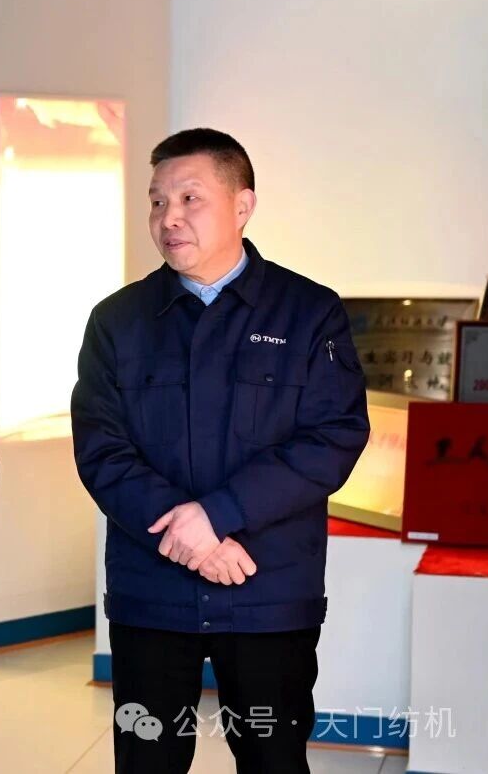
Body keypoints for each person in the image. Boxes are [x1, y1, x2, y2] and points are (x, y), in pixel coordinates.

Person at [71, 128, 370, 773]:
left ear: (243, 205)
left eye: (190, 198)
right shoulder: (117, 321)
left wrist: (218, 515)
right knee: (147, 761)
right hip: (153, 590)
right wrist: (193, 537)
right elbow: (101, 449)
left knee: (272, 759)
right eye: (157, 201)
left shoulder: (308, 313)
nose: (168, 218)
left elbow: (333, 436)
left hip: (268, 587)